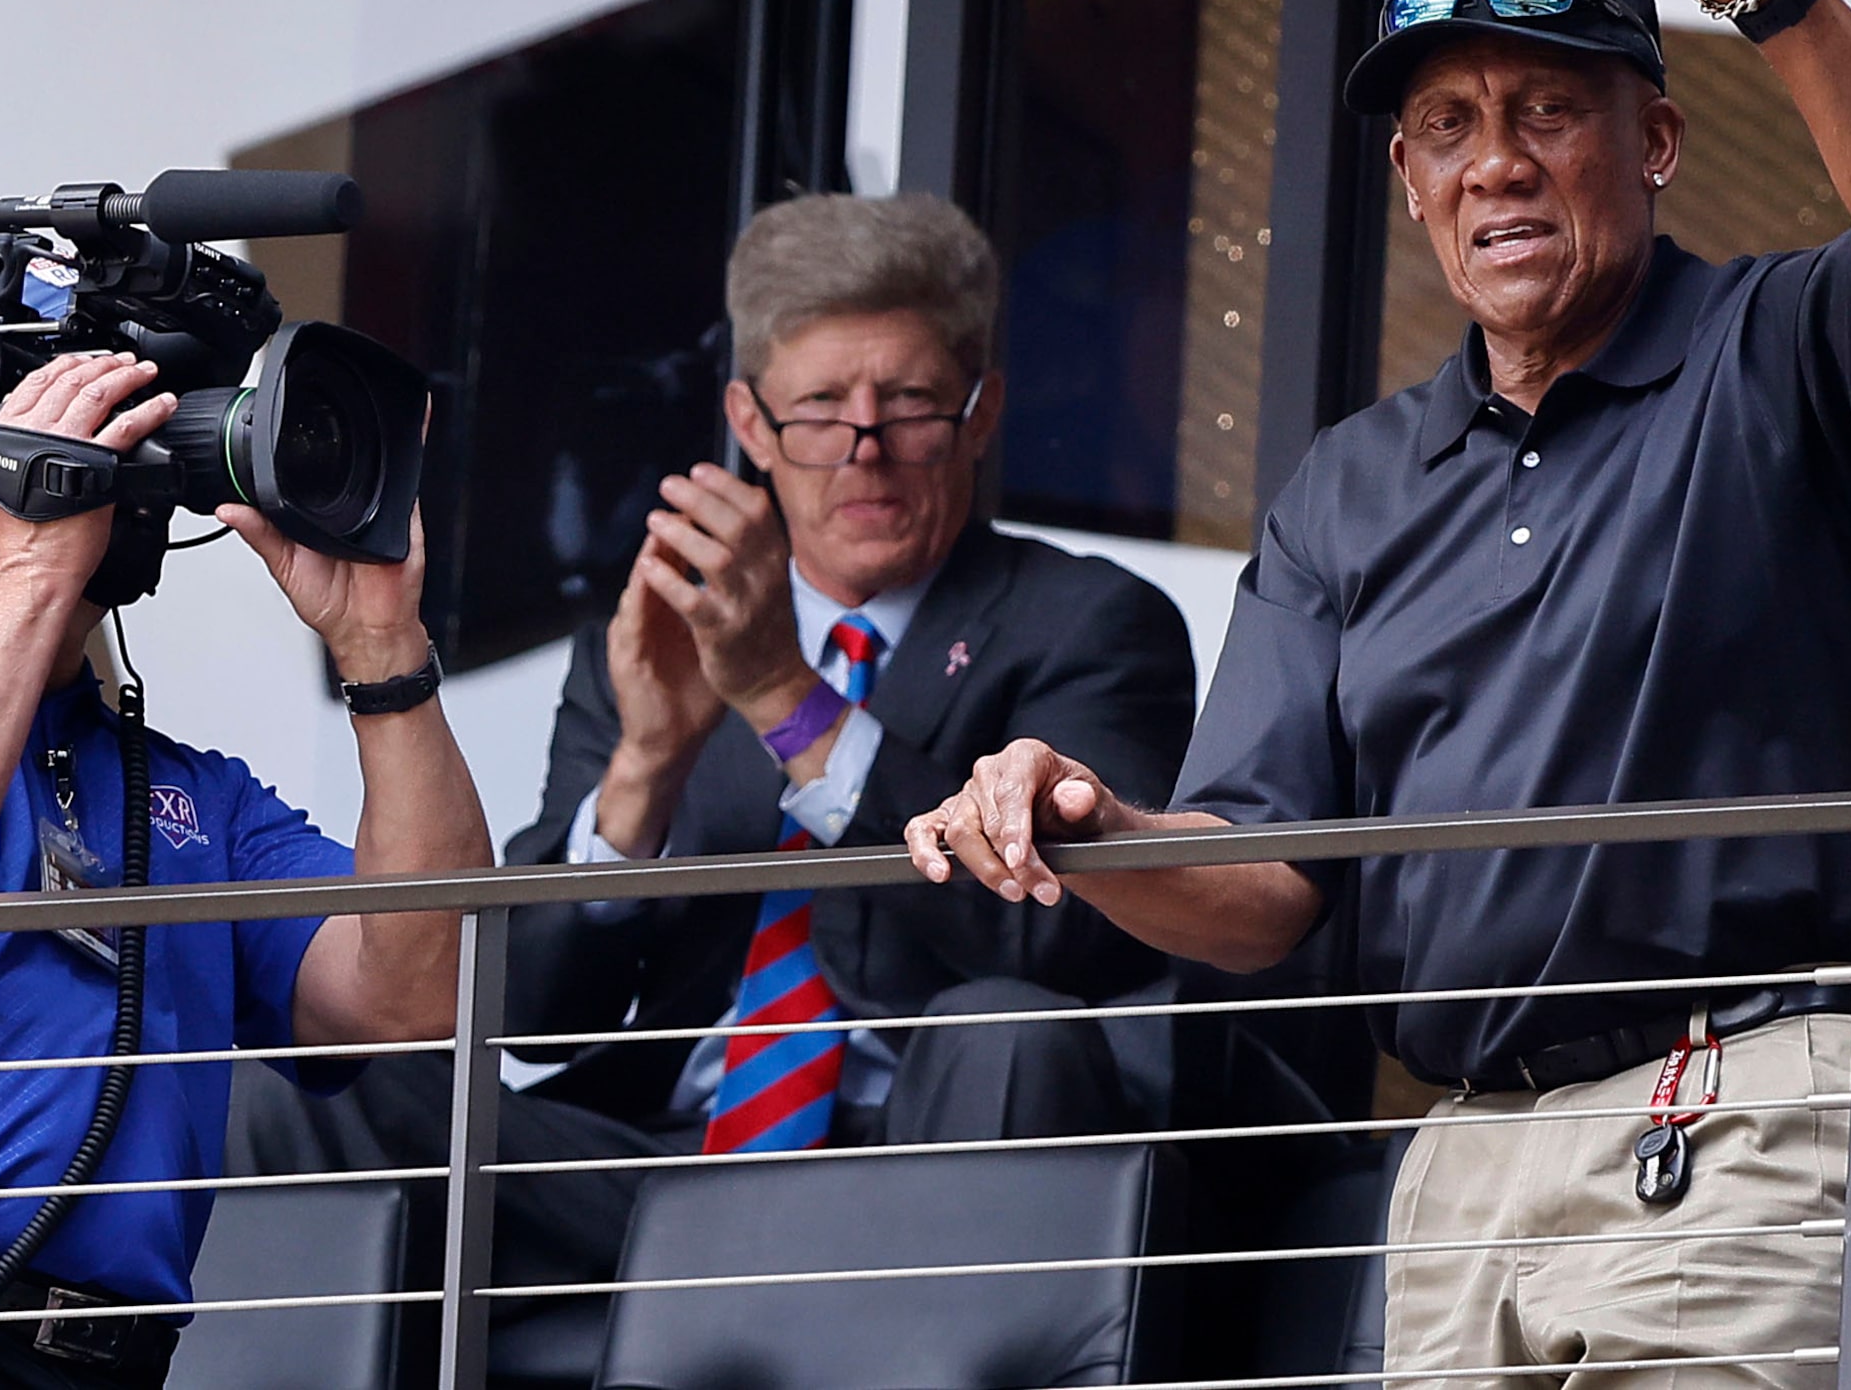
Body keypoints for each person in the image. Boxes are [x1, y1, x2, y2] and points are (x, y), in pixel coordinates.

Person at [910, 0, 1851, 1387]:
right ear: (1408, 181)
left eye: (1545, 108)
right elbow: (1267, 878)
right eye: (1447, 124)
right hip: (1457, 1168)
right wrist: (1097, 830)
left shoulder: (1773, 339)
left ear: (1652, 139)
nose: (1493, 156)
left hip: (1765, 1101)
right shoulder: (1349, 483)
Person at [231, 193, 1196, 1314]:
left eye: (913, 405)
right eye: (821, 410)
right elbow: (532, 1014)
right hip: (665, 1169)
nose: (864, 454)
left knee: (1005, 1030)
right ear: (748, 420)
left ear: (982, 416)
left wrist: (788, 699)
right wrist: (645, 766)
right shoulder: (647, 641)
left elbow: (1064, 947)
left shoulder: (1091, 622)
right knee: (310, 1077)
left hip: (919, 1154)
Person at [0, 350, 492, 1390]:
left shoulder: (192, 797)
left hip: (106, 1362)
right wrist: (30, 570)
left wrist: (385, 650)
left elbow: (417, 993)